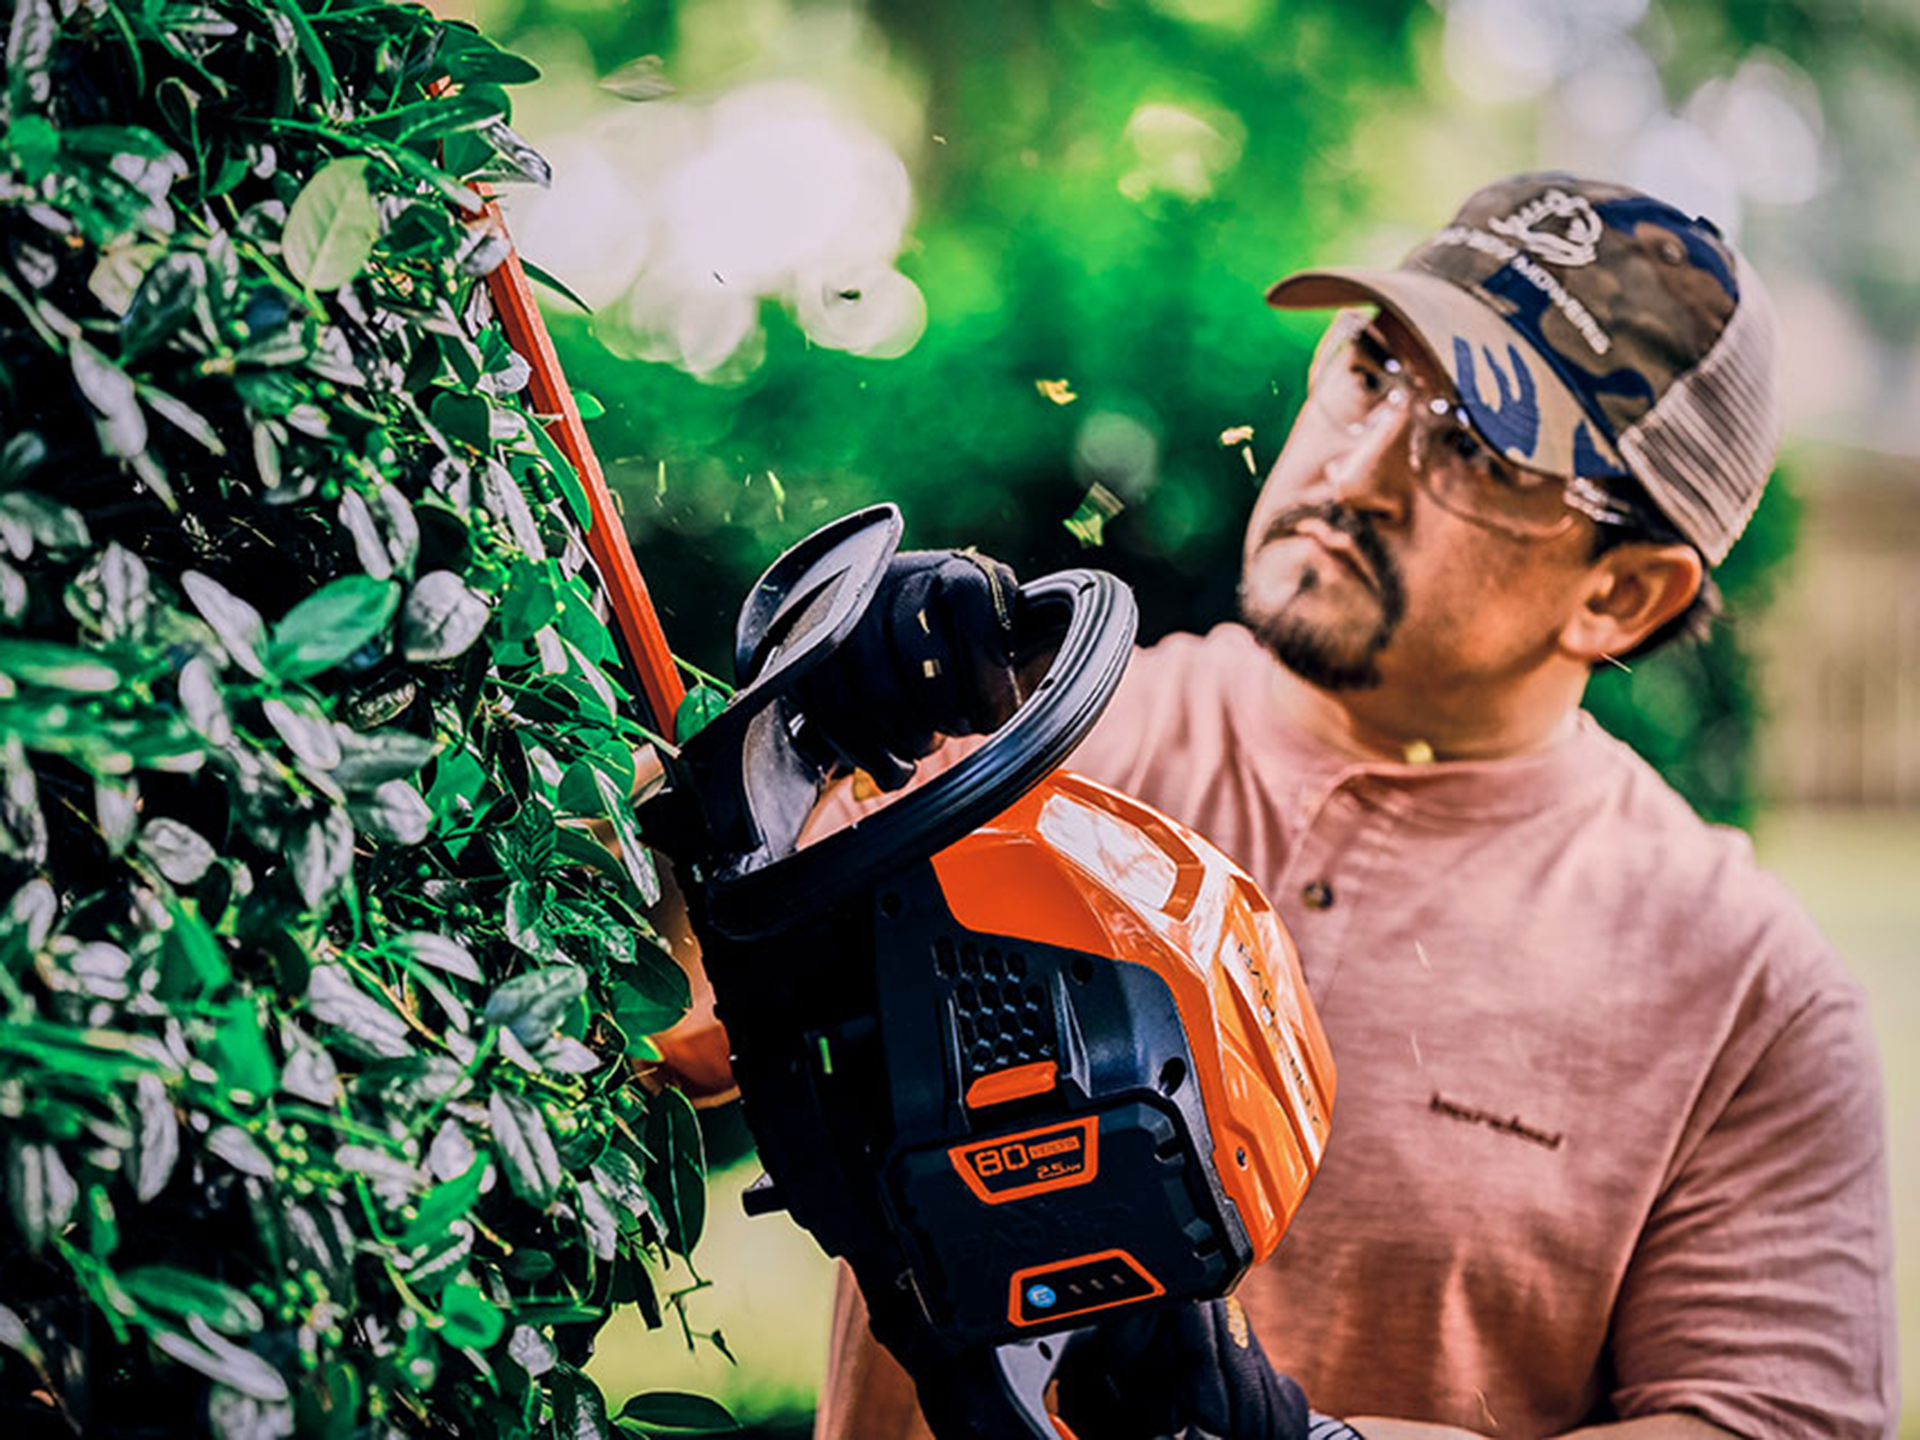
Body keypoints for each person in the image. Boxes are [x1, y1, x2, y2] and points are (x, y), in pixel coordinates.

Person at [653, 173, 1898, 1437]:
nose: (1359, 467)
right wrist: (793, 755)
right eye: (1370, 368)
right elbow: (648, 1005)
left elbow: (1772, 1419)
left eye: (1474, 447)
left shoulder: (1744, 994)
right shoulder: (1016, 761)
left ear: (1621, 594)